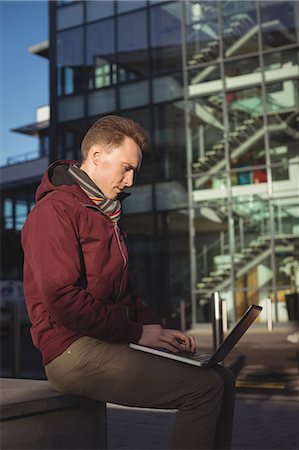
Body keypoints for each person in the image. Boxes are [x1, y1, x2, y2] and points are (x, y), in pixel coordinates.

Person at [21, 115, 235, 449]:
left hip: (106, 339)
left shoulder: (106, 215)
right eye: (125, 167)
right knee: (203, 388)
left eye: (134, 170)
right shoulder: (55, 212)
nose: (130, 179)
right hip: (71, 348)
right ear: (95, 156)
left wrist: (156, 330)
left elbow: (127, 293)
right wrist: (137, 333)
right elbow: (61, 298)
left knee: (222, 377)